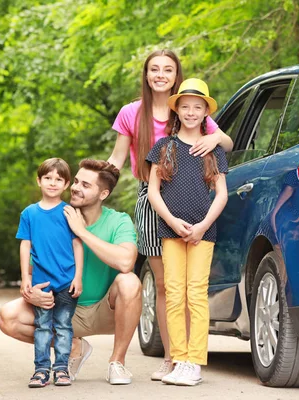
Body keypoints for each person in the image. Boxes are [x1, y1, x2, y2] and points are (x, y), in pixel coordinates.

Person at [107, 49, 233, 380]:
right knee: (167, 285)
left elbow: (224, 145)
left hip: (195, 206)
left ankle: (181, 359)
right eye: (154, 69)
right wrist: (95, 184)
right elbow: (117, 159)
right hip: (155, 198)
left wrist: (215, 137)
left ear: (176, 76)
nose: (160, 74)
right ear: (146, 75)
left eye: (167, 69)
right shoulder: (133, 113)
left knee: (190, 288)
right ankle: (174, 354)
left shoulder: (195, 109)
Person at [0, 159, 141, 385]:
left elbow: (126, 262)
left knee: (129, 282)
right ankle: (74, 346)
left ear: (103, 194)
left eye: (85, 185)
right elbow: (38, 260)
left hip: (107, 311)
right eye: (75, 181)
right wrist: (31, 291)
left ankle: (117, 362)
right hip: (62, 306)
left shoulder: (118, 220)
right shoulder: (54, 215)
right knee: (8, 317)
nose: (75, 187)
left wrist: (81, 232)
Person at [146, 78, 229, 386]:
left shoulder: (213, 149)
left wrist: (203, 225)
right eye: (186, 107)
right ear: (177, 110)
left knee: (196, 293)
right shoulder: (163, 148)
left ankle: (194, 362)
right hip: (170, 230)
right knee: (174, 293)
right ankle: (179, 359)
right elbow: (154, 192)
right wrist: (171, 220)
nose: (191, 112)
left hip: (202, 232)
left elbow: (221, 194)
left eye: (198, 107)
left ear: (206, 112)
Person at [16, 158, 84, 388]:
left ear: (66, 185)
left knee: (63, 326)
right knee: (43, 326)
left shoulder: (70, 211)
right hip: (40, 283)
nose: (52, 183)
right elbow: (25, 245)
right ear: (39, 181)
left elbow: (78, 245)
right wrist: (25, 277)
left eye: (58, 179)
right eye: (48, 178)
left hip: (66, 281)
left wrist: (78, 277)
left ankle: (62, 369)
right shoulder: (29, 213)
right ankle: (41, 369)